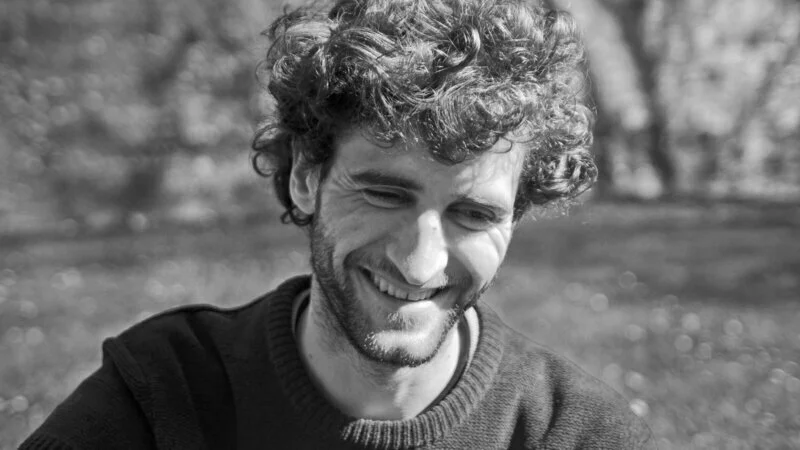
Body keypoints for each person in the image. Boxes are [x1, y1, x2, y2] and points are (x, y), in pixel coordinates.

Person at [22, 0, 656, 448]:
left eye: (473, 214)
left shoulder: (577, 435)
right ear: (306, 175)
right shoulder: (164, 396)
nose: (421, 264)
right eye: (384, 194)